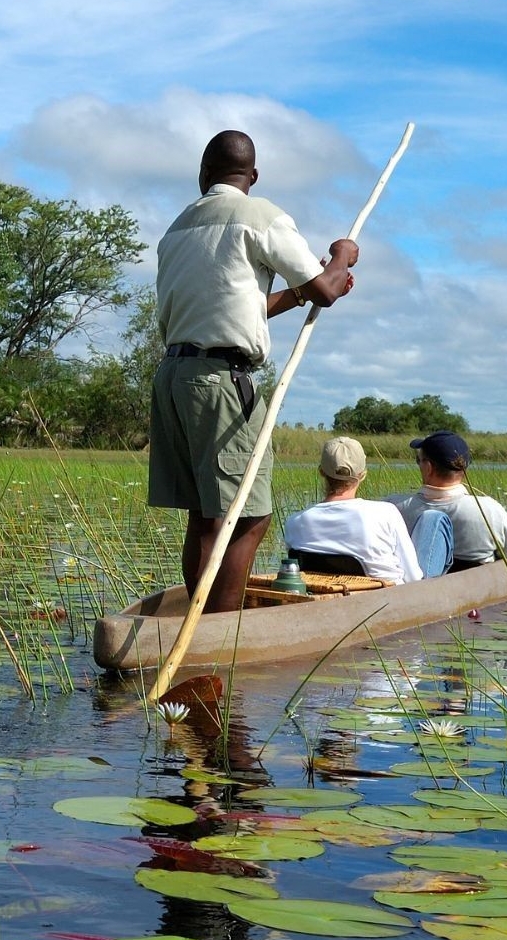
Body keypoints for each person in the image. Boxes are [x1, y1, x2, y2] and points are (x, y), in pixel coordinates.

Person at [149, 129, 359, 612]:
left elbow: (242, 308)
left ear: (203, 175)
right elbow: (327, 288)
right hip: (222, 382)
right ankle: (219, 629)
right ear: (253, 176)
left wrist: (307, 289)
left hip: (174, 378)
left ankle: (199, 621)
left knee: (205, 515)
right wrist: (342, 256)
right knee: (247, 517)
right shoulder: (259, 215)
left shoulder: (178, 228)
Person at [283, 436, 422, 584]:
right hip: (387, 598)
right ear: (362, 474)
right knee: (433, 519)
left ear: (321, 471)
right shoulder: (386, 513)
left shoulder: (294, 522)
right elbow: (413, 577)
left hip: (328, 598)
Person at [383, 430, 507, 575]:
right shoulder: (490, 509)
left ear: (428, 468)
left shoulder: (392, 507)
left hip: (416, 587)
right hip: (478, 586)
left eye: (419, 460)